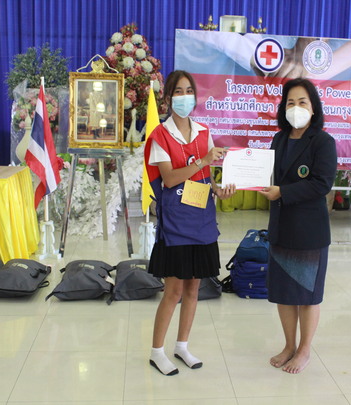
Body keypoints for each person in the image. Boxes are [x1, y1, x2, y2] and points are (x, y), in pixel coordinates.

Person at [144, 70, 236, 376]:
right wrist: (203, 161)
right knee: (173, 291)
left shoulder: (203, 131)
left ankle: (182, 345)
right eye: (178, 92)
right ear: (168, 98)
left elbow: (205, 178)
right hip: (176, 222)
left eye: (188, 91)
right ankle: (157, 352)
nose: (184, 97)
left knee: (194, 289)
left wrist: (219, 190)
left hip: (202, 219)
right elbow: (170, 179)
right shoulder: (160, 136)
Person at [258, 78, 337, 374]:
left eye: (302, 101)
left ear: (314, 107)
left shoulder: (323, 142)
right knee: (284, 293)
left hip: (308, 231)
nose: (296, 107)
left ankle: (304, 350)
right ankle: (289, 345)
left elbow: (321, 184)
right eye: (290, 102)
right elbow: (267, 176)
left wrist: (283, 192)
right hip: (281, 226)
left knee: (307, 295)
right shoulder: (278, 140)